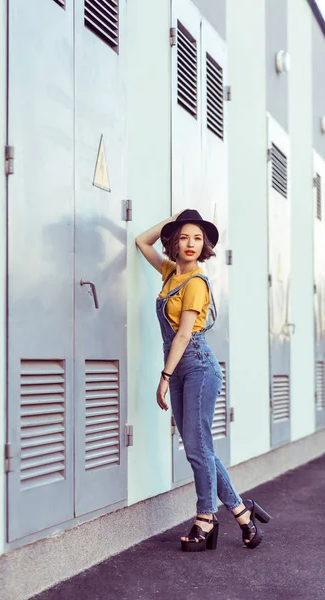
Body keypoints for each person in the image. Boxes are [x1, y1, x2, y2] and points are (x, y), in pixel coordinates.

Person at [135, 209, 271, 552]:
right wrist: (174, 219)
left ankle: (206, 518)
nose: (191, 243)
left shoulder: (196, 282)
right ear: (174, 243)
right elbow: (141, 241)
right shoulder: (170, 272)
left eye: (198, 238)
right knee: (200, 447)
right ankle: (242, 512)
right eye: (183, 237)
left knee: (196, 449)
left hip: (196, 364)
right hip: (181, 366)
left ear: (206, 245)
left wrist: (164, 376)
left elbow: (182, 336)